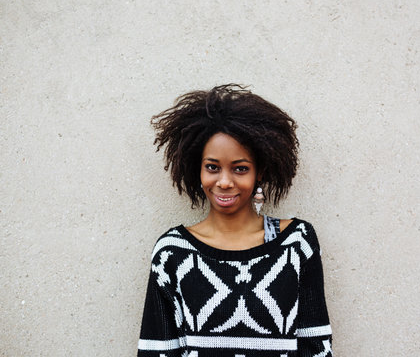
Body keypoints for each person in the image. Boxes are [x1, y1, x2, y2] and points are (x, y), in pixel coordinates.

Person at [138, 84, 332, 357]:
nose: (225, 182)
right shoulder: (172, 252)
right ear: (198, 169)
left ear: (260, 172)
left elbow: (317, 346)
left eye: (240, 168)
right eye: (213, 167)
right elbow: (156, 349)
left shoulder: (297, 243)